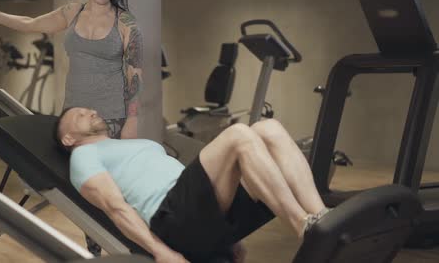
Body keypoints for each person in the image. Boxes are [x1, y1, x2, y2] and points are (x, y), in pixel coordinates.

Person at [56, 107, 330, 263]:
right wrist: (162, 252)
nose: (90, 111)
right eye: (80, 115)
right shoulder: (83, 156)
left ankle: (324, 220)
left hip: (199, 211)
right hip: (172, 219)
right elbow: (116, 209)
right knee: (238, 135)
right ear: (69, 139)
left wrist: (226, 238)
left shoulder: (124, 146)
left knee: (269, 128)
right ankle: (304, 227)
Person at [0, 0, 142, 139]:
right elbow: (30, 24)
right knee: (73, 168)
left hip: (110, 116)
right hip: (73, 116)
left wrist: (132, 121)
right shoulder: (73, 11)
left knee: (102, 168)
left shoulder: (126, 22)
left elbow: (136, 75)